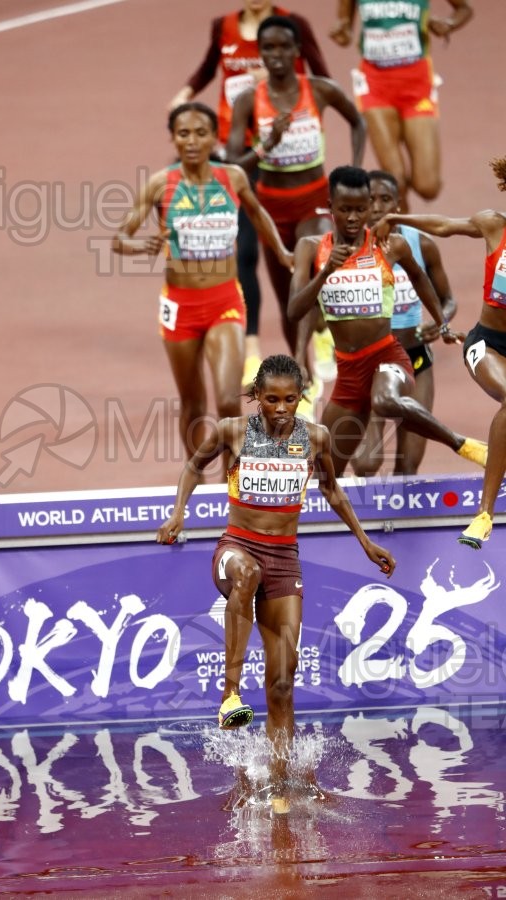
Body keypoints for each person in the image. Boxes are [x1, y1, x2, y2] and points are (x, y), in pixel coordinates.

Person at [156, 354, 396, 809]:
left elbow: (331, 489)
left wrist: (366, 542)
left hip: (285, 560)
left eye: (290, 400)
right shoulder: (232, 431)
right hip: (235, 549)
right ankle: (230, 693)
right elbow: (193, 466)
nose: (281, 409)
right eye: (271, 399)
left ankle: (279, 785)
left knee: (283, 684)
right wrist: (178, 514)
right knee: (247, 574)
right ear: (257, 397)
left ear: (301, 397)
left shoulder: (316, 437)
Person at [112, 102, 292, 473]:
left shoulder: (232, 178)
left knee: (227, 400)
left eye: (200, 133)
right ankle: (196, 478)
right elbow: (119, 238)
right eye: (183, 134)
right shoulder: (160, 184)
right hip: (180, 306)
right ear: (173, 139)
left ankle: (232, 482)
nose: (192, 141)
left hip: (225, 300)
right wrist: (141, 246)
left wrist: (283, 253)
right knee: (193, 404)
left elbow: (259, 216)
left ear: (213, 138)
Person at [168, 2, 331, 389]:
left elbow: (322, 78)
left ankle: (323, 330)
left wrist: (288, 100)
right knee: (243, 252)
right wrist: (185, 92)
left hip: (282, 154)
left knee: (304, 259)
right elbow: (209, 68)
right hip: (236, 151)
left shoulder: (291, 25)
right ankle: (252, 347)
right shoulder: (223, 27)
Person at [287, 165, 488, 478]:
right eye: (345, 210)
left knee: (384, 401)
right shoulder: (311, 248)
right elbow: (295, 310)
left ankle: (461, 443)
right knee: (325, 475)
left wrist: (442, 323)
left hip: (388, 356)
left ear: (369, 207)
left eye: (360, 209)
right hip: (349, 372)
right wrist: (325, 273)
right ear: (330, 207)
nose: (353, 218)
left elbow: (420, 278)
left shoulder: (391, 245)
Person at [225, 15, 366, 402]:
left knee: (309, 265)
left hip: (314, 202)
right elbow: (233, 167)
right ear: (260, 53)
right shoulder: (248, 101)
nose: (276, 55)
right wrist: (266, 145)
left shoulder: (319, 90)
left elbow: (358, 121)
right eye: (267, 48)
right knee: (288, 295)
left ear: (297, 50)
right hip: (271, 207)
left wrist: (354, 175)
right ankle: (304, 370)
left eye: (284, 47)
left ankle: (320, 332)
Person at [372, 156, 506, 549]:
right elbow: (445, 226)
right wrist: (399, 219)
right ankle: (484, 514)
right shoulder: (494, 225)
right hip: (487, 344)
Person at [351, 169, 457, 476]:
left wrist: (441, 322)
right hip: (370, 361)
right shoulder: (351, 248)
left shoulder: (420, 244)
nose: (378, 207)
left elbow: (448, 300)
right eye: (371, 200)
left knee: (408, 466)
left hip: (416, 359)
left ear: (398, 204)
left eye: (385, 199)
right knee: (366, 463)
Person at [329, 0, 473, 211]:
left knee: (428, 186)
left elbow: (464, 9)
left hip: (417, 84)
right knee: (395, 180)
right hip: (375, 84)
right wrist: (342, 33)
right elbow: (345, 30)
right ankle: (403, 229)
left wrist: (449, 24)